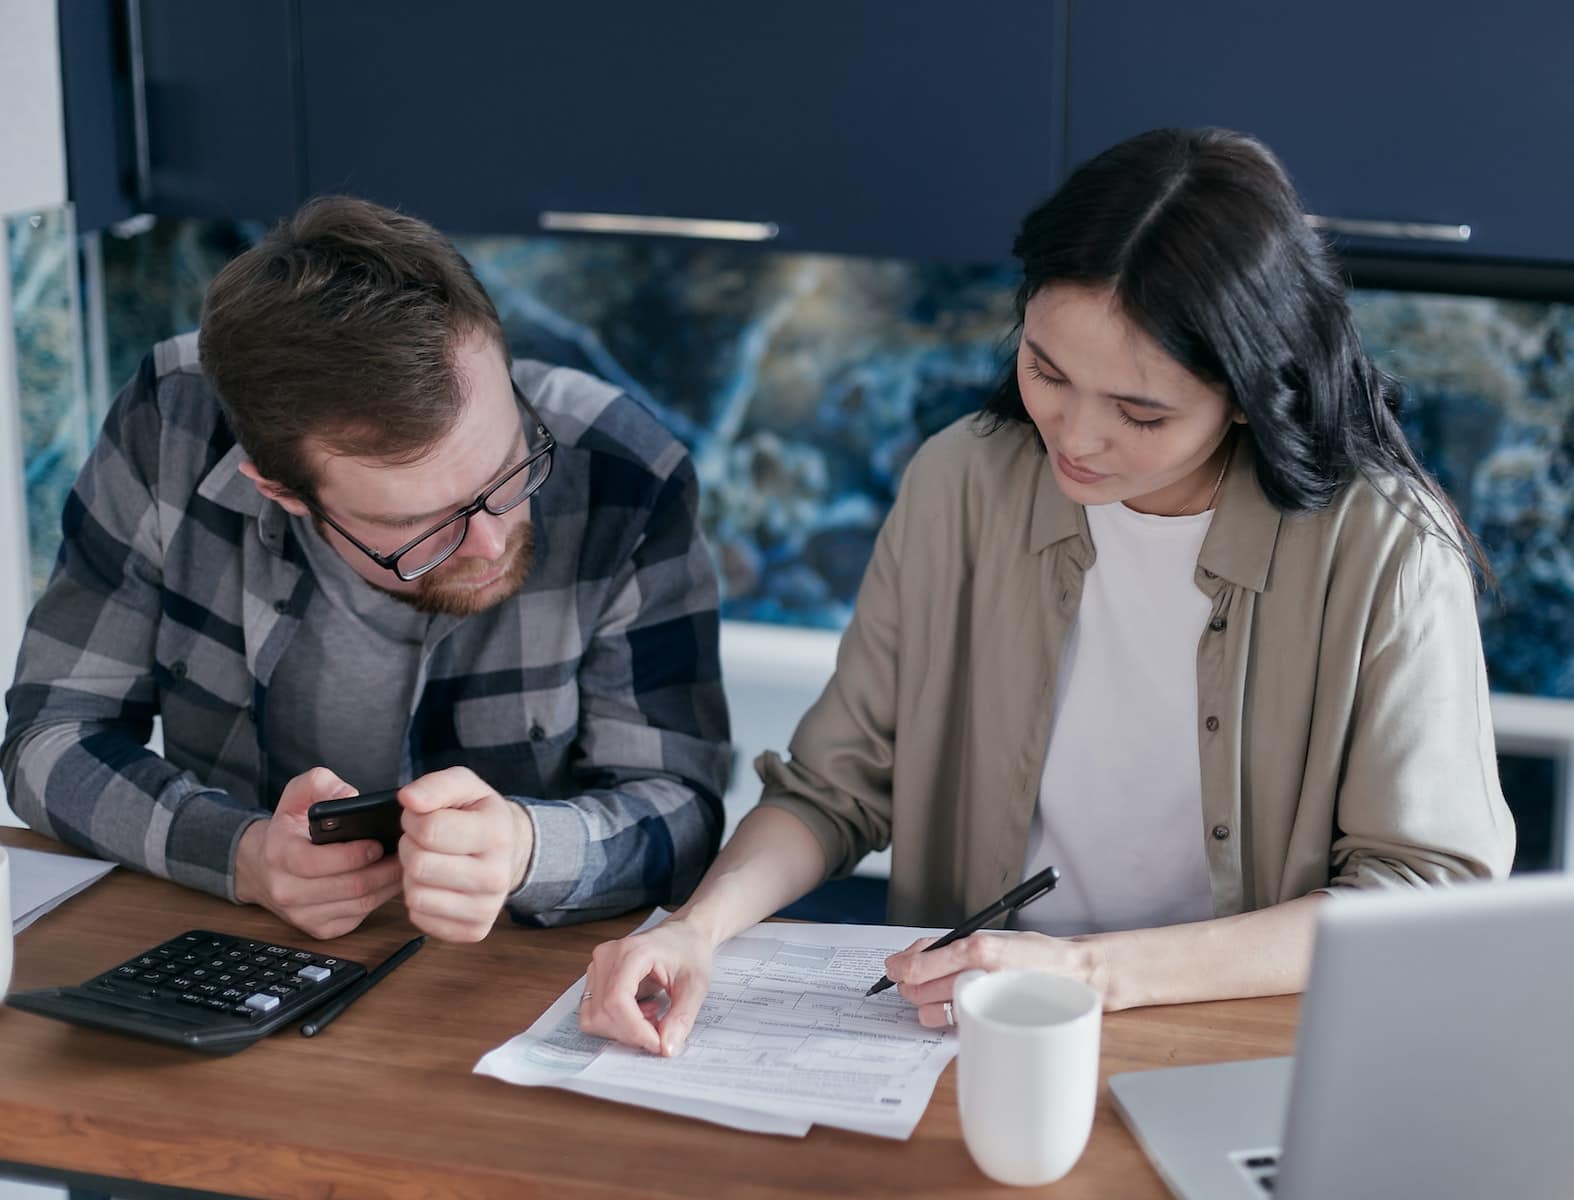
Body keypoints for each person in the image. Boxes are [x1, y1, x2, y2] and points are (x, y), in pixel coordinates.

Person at [579, 127, 1516, 1056]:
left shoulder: (1384, 546)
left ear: (1246, 391)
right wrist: (695, 929)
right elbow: (835, 788)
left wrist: (1090, 975)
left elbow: (1424, 891)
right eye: (1047, 370)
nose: (1075, 436)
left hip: (1238, 1048)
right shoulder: (963, 482)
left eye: (1140, 412)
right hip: (970, 1035)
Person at [1, 197, 730, 942]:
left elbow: (684, 812)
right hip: (243, 948)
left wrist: (525, 849)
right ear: (280, 491)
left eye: (510, 471)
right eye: (418, 525)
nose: (488, 541)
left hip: (507, 981)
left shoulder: (623, 468)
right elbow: (51, 735)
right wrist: (240, 854)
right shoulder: (173, 424)